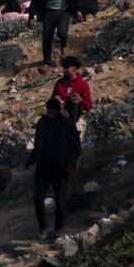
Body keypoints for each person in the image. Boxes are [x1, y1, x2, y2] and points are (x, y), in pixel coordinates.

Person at [27, 97, 82, 239]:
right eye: (49, 112)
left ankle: (59, 227)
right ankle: (43, 228)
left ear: (58, 111)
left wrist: (70, 165)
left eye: (53, 113)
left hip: (61, 168)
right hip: (43, 168)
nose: (51, 115)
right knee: (38, 198)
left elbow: (76, 148)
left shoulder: (68, 124)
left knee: (59, 199)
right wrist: (30, 161)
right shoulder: (41, 123)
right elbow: (37, 145)